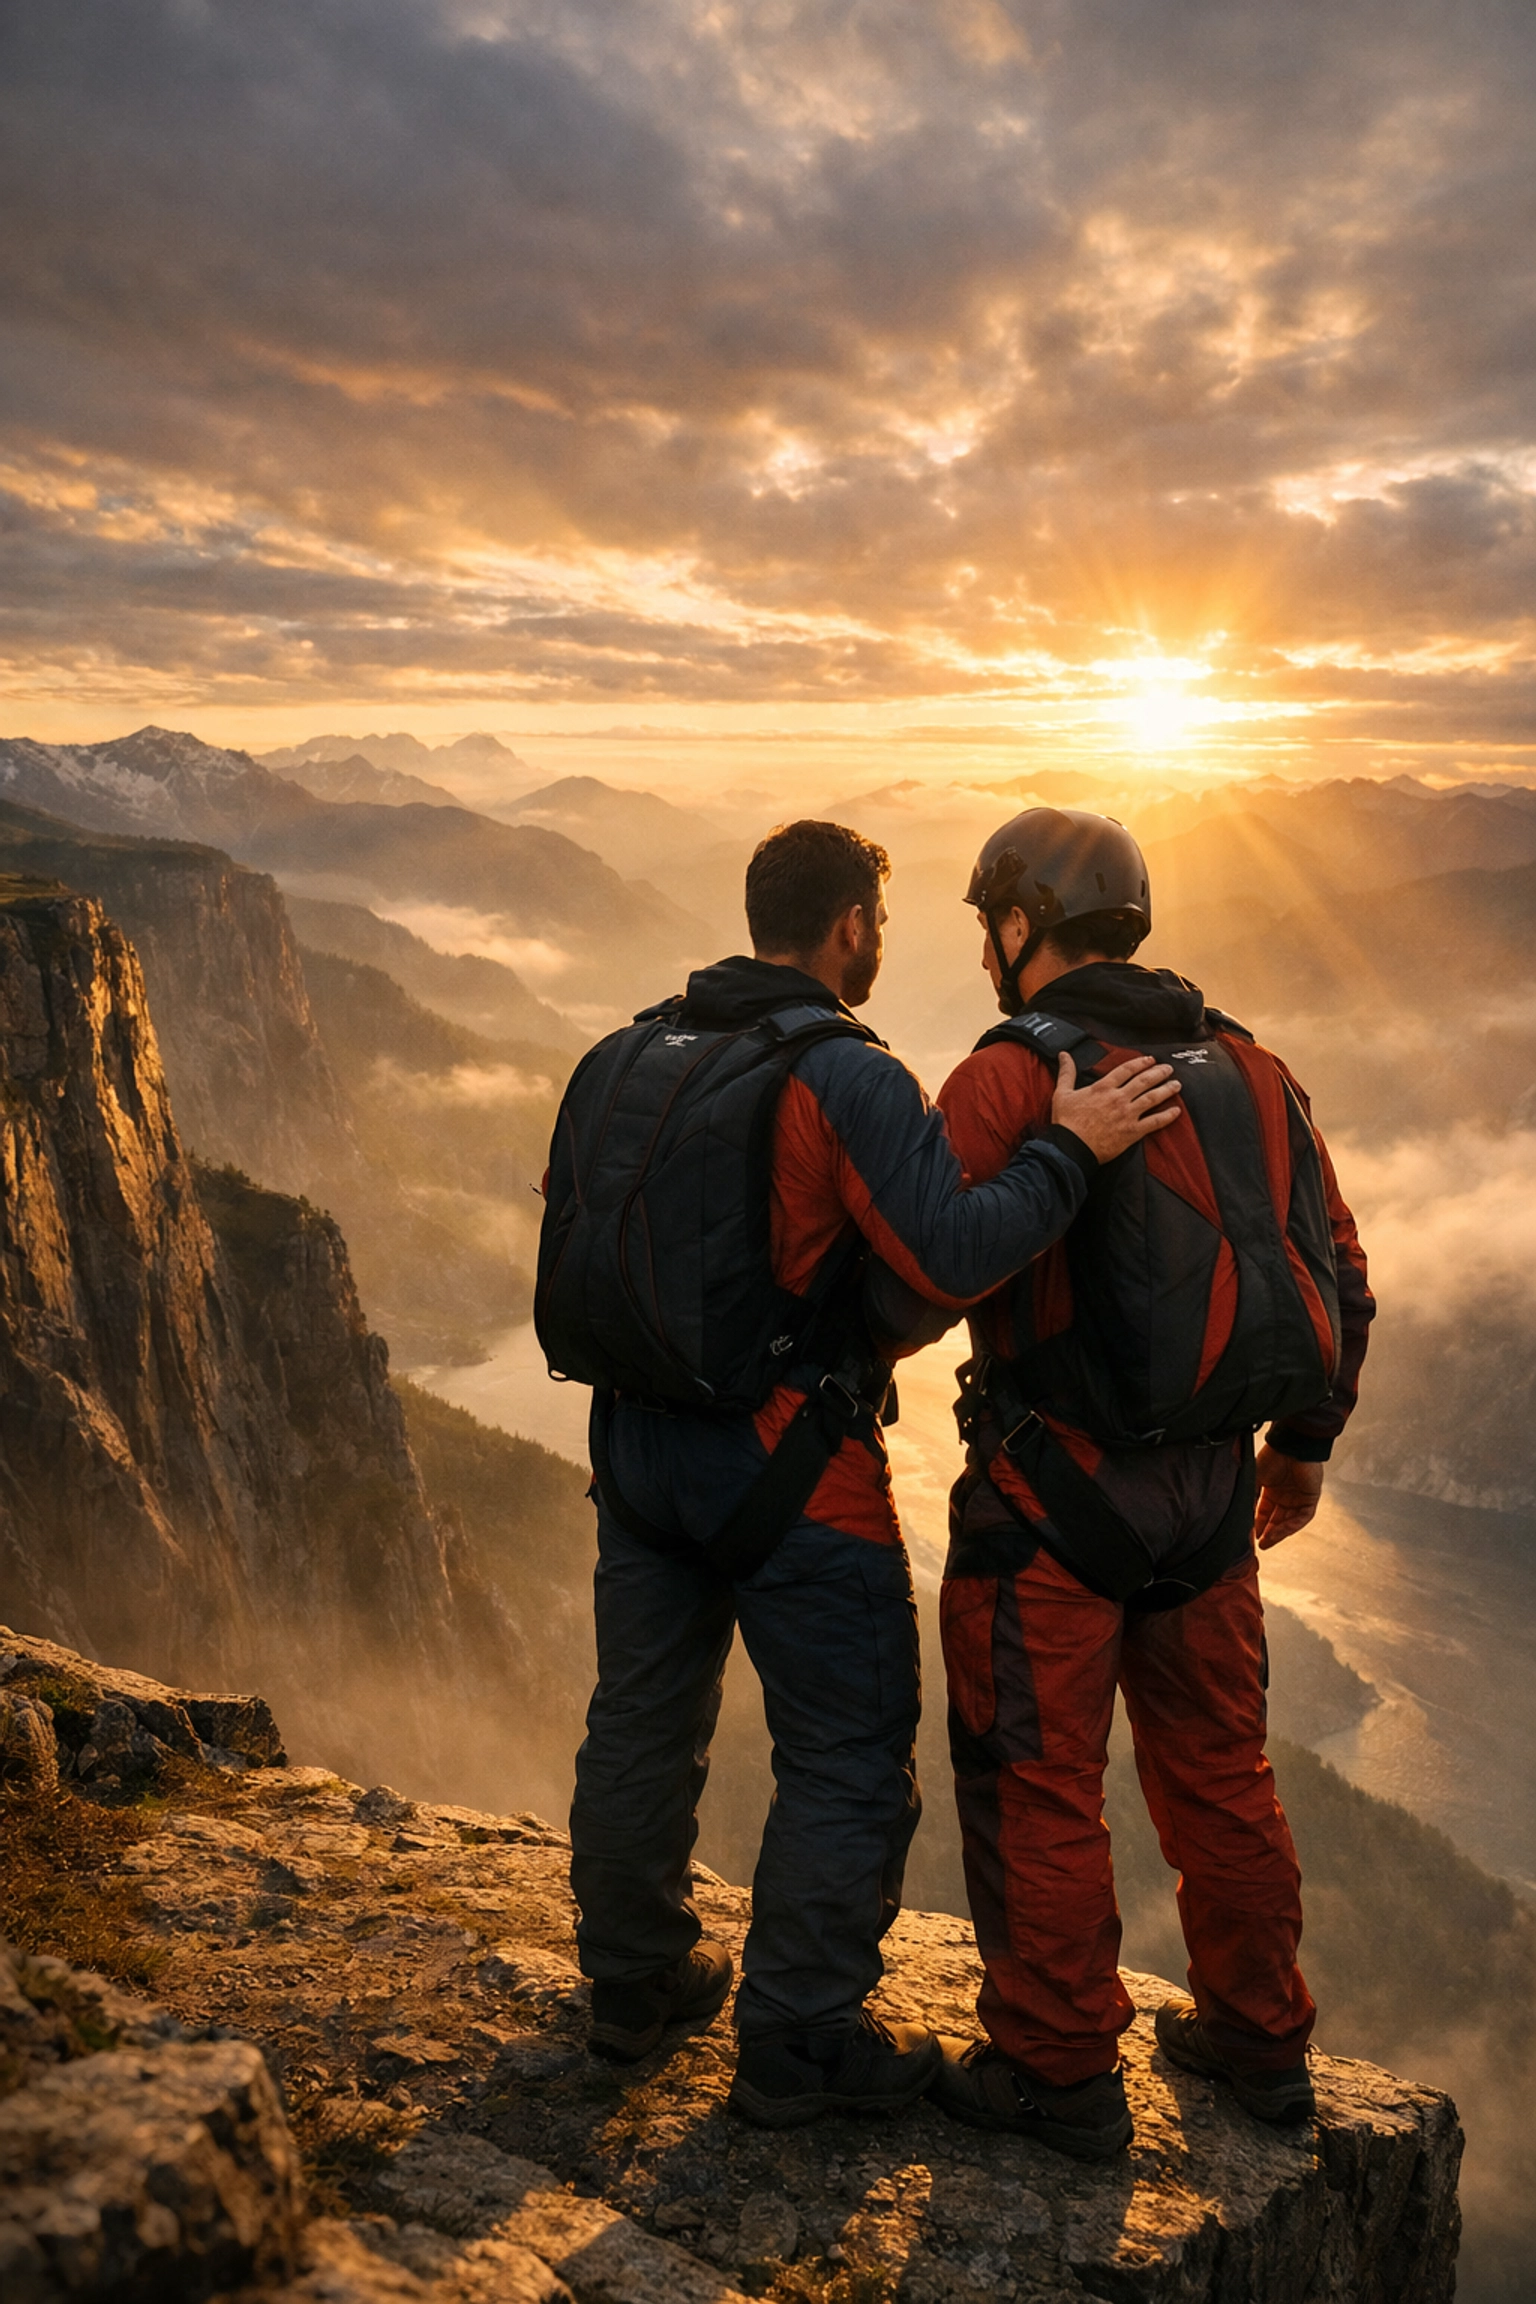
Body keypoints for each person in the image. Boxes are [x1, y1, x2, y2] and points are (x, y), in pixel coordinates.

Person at [542, 818, 1181, 2128]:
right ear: (849, 929)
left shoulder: (628, 1051)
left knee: (640, 1720)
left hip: (636, 1449)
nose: (883, 946)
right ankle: (798, 2034)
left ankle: (633, 1986)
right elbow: (948, 1254)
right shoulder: (847, 1073)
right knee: (844, 1749)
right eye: (880, 926)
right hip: (790, 1470)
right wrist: (1072, 1150)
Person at [919, 806, 1373, 2160]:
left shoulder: (1011, 1075)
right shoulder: (1254, 1065)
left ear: (1016, 927)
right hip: (1212, 1504)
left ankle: (1058, 2072)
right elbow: (1336, 1269)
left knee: (1040, 1779)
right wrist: (1303, 1447)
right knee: (1223, 1772)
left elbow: (931, 1257)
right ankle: (1257, 2035)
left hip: (1051, 1500)